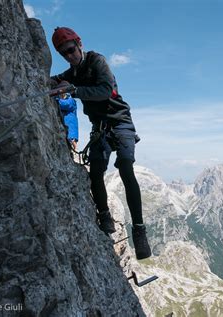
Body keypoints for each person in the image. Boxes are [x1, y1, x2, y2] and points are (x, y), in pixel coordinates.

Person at [50, 27, 151, 260]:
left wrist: (73, 90)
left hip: (121, 123)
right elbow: (55, 80)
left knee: (125, 166)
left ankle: (139, 230)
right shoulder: (73, 72)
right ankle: (104, 215)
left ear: (79, 44)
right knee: (95, 171)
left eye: (71, 50)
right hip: (101, 129)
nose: (69, 56)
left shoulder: (97, 61)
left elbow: (105, 90)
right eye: (64, 53)